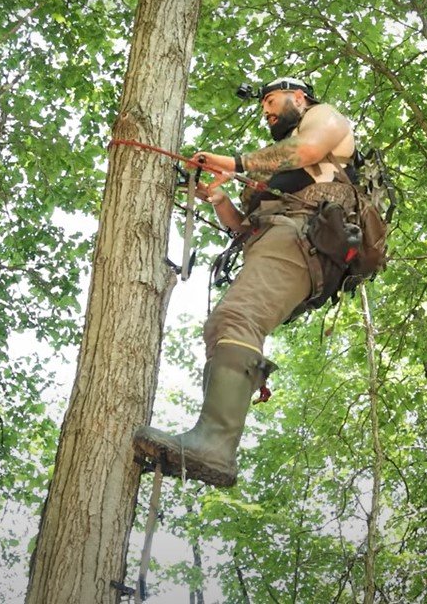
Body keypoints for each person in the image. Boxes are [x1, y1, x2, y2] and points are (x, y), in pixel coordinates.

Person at [133, 77, 358, 487]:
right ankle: (211, 440)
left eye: (271, 101)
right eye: (264, 107)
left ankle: (214, 444)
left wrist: (232, 162)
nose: (267, 111)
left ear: (299, 97)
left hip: (302, 240)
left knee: (237, 320)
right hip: (279, 242)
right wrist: (221, 200)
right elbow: (243, 229)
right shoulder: (281, 174)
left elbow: (305, 149)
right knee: (225, 326)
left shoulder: (324, 118)